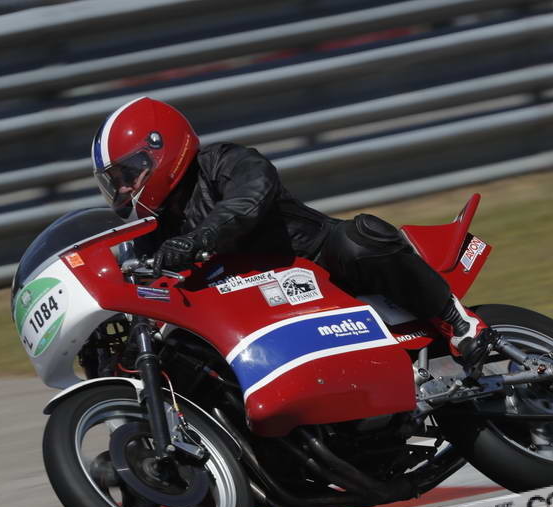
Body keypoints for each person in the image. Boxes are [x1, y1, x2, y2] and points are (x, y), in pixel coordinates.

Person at [90, 96, 493, 376]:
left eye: (128, 175)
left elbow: (249, 199)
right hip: (245, 310)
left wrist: (197, 240)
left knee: (357, 239)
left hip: (312, 261)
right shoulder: (153, 230)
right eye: (115, 182)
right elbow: (147, 292)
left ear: (161, 150)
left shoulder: (225, 162)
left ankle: (456, 320)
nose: (123, 189)